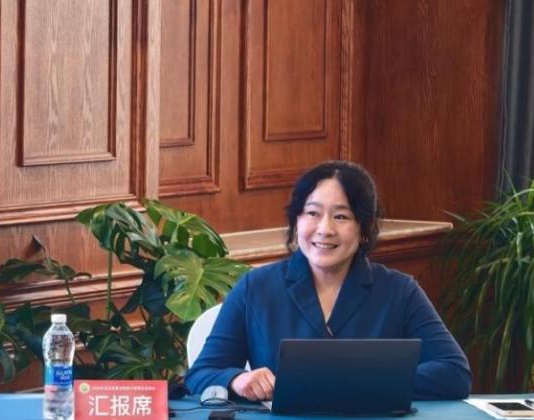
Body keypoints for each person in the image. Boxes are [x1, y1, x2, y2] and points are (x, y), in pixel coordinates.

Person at [185, 160, 472, 401]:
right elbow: (201, 374)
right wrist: (237, 380)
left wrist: (357, 382)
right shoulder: (256, 287)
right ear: (296, 221)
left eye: (341, 217)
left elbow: (454, 373)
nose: (325, 229)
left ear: (364, 229)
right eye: (312, 213)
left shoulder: (400, 291)